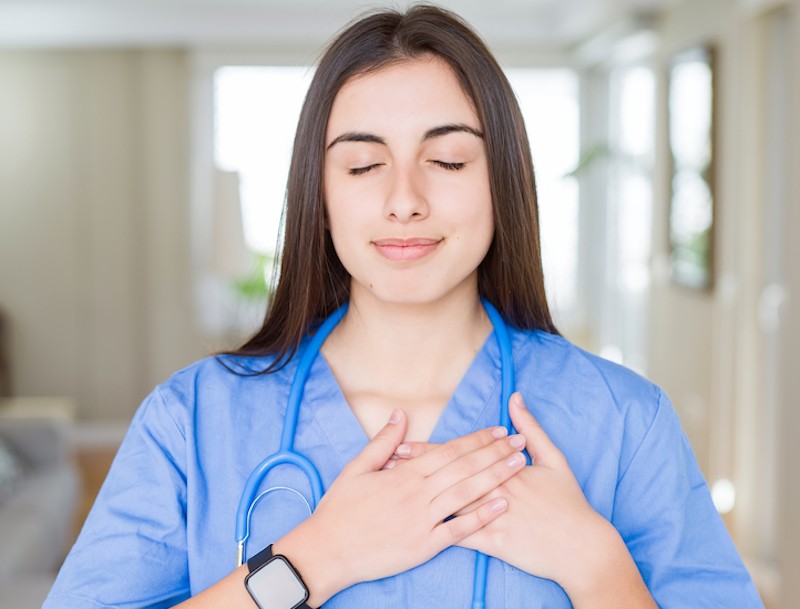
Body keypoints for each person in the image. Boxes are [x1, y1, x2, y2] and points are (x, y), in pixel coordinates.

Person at [44, 5, 764, 609]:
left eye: (447, 160)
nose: (405, 198)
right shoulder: (193, 421)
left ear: (501, 183)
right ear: (319, 198)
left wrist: (596, 564)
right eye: (363, 164)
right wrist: (315, 558)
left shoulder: (622, 421)